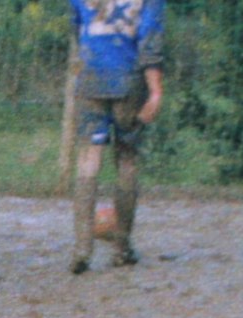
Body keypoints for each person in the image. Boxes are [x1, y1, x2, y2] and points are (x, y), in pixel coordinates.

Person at [66, 0, 164, 275]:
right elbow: (150, 43)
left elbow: (77, 28)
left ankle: (82, 249)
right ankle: (122, 247)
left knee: (88, 159)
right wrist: (156, 90)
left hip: (91, 78)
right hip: (129, 80)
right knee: (127, 158)